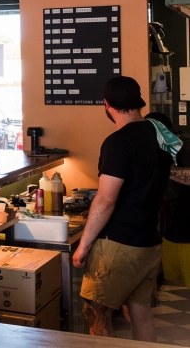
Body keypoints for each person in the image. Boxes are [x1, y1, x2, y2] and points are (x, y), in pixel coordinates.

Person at [72, 76, 175, 341]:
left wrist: (83, 246)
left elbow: (106, 200)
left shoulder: (118, 142)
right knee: (139, 313)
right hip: (149, 243)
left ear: (107, 104)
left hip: (119, 245)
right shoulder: (159, 136)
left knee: (96, 312)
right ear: (138, 101)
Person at [148, 112, 190, 289]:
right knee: (174, 285)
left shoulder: (186, 147)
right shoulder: (162, 148)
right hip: (171, 229)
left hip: (188, 230)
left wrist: (164, 170)